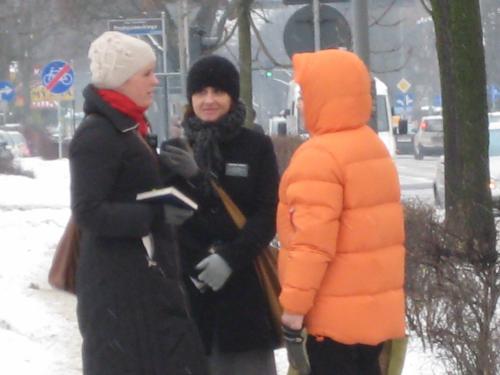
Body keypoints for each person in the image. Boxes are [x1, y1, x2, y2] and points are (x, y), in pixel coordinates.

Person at [69, 31, 208, 375]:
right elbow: (88, 211)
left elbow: (130, 189)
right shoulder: (98, 134)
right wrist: (151, 216)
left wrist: (176, 175)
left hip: (141, 281)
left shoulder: (129, 129)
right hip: (119, 288)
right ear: (120, 79)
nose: (155, 81)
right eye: (146, 73)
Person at [277, 49, 406, 375]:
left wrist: (294, 309)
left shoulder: (318, 157)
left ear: (325, 96)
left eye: (307, 94)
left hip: (331, 320)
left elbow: (312, 244)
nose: (303, 104)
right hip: (371, 316)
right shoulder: (373, 147)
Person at [159, 54, 280, 375]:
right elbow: (170, 219)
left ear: (233, 96)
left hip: (243, 293)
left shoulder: (256, 146)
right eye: (200, 92)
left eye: (218, 92)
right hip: (190, 295)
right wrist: (195, 262)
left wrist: (229, 258)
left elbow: (268, 214)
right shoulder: (175, 150)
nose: (208, 100)